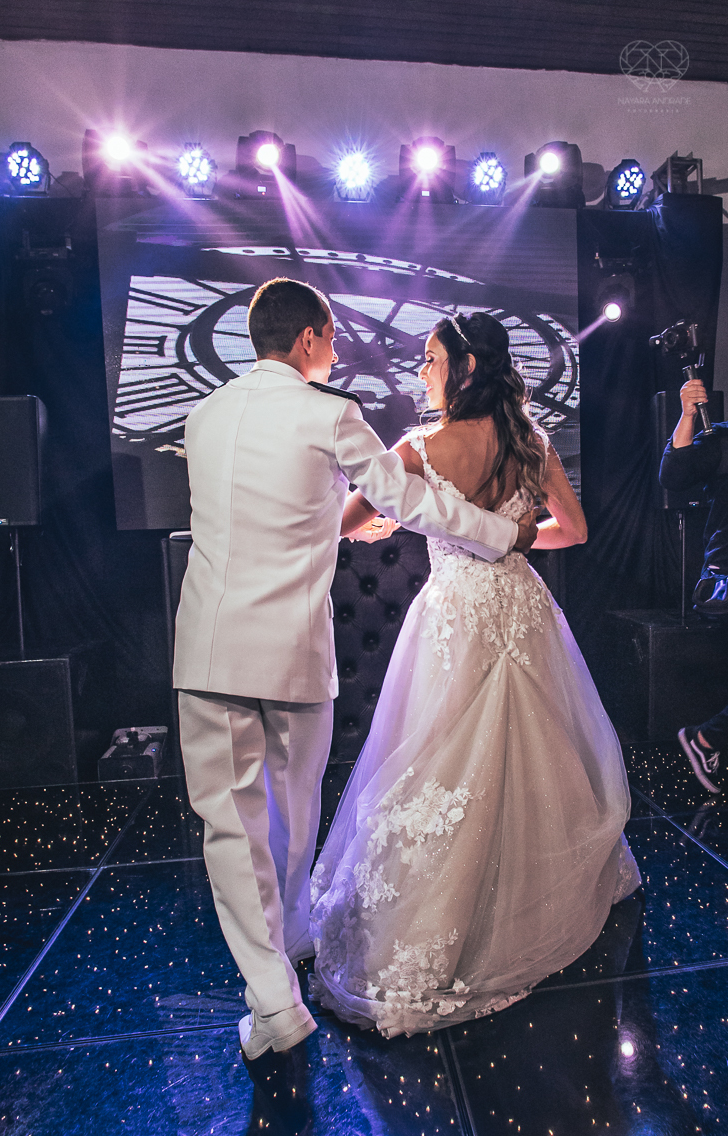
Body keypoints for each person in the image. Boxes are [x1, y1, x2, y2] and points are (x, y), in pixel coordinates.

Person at [172, 281, 538, 1060]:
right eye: (333, 337)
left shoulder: (202, 416)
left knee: (231, 830)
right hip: (293, 652)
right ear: (307, 340)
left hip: (207, 649)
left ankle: (278, 978)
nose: (338, 349)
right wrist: (500, 536)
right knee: (293, 815)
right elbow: (409, 498)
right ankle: (283, 979)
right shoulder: (327, 413)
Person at [310, 310, 641, 1038]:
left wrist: (399, 522)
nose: (419, 372)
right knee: (535, 750)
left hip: (454, 610)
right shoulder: (529, 442)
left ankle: (445, 916)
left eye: (429, 359)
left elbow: (346, 522)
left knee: (441, 755)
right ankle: (531, 888)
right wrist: (516, 539)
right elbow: (573, 531)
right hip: (520, 604)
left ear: (462, 368)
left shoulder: (418, 448)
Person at [658, 377, 728, 794]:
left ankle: (708, 739)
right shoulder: (724, 440)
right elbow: (673, 473)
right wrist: (686, 415)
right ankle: (706, 740)